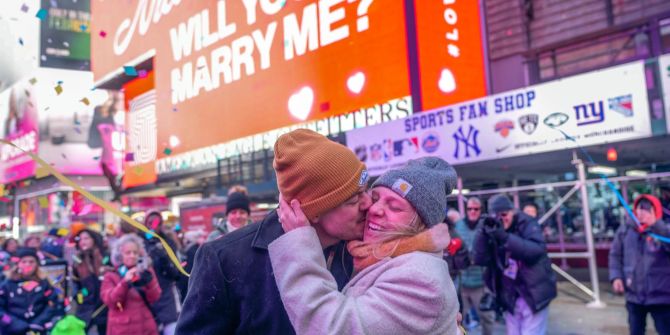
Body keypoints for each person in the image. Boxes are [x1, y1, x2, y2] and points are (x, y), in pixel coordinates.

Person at [177, 129, 372, 334]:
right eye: (352, 200)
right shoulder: (224, 259)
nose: (368, 204)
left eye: (366, 190)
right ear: (314, 210)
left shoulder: (362, 249)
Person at [270, 157, 460, 334]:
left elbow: (332, 328)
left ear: (421, 225)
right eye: (375, 198)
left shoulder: (421, 279)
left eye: (394, 207)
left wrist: (300, 243)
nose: (375, 209)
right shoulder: (370, 255)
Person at [473, 194, 557, 335]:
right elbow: (479, 259)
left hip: (533, 293)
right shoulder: (494, 229)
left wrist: (505, 238)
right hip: (510, 296)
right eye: (497, 216)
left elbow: (536, 251)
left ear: (513, 211)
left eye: (504, 214)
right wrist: (481, 233)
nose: (501, 219)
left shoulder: (527, 223)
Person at [609, 194, 670, 335]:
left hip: (662, 297)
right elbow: (615, 255)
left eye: (647, 209)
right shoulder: (625, 231)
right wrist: (616, 277)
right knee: (636, 331)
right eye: (639, 208)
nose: (642, 213)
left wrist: (656, 226)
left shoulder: (665, 230)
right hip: (634, 296)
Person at [101, 234, 161, 335]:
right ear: (120, 255)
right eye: (128, 253)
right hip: (122, 329)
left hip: (146, 328)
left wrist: (150, 281)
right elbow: (111, 301)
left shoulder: (144, 271)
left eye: (135, 253)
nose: (132, 256)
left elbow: (155, 297)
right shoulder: (110, 276)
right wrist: (125, 283)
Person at [454, 196, 495, 334]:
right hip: (462, 282)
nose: (472, 211)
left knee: (487, 318)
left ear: (481, 210)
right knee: (456, 320)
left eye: (476, 209)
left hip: (481, 282)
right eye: (469, 208)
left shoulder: (486, 226)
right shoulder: (458, 226)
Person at [0, 247, 64, 335]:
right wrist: (15, 324)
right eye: (24, 261)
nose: (28, 265)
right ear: (18, 264)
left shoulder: (44, 283)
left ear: (37, 264)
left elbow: (52, 304)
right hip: (12, 330)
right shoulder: (8, 284)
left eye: (31, 261)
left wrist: (38, 323)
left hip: (37, 329)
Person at [143, 211, 182, 335]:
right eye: (150, 223)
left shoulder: (168, 243)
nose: (153, 226)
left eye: (157, 223)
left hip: (167, 296)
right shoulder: (139, 243)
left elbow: (176, 274)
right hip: (147, 298)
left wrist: (164, 258)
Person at [72, 229, 113, 335]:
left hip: (105, 305)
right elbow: (76, 285)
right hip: (87, 307)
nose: (82, 242)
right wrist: (81, 297)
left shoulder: (106, 256)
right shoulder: (78, 261)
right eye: (80, 239)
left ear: (94, 239)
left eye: (86, 238)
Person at [177, 230, 206, 302]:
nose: (184, 240)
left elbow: (189, 269)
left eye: (185, 239)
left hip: (189, 282)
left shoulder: (191, 251)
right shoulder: (196, 249)